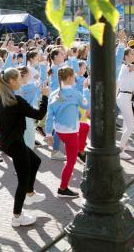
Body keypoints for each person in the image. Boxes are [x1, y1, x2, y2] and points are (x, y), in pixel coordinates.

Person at [0, 68, 49, 227]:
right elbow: (38, 115)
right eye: (18, 79)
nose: (21, 83)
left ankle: (30, 193)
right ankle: (17, 216)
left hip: (10, 143)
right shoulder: (16, 101)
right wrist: (45, 96)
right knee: (22, 181)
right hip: (15, 144)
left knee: (36, 161)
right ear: (11, 82)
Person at [45, 66, 90, 197]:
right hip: (70, 133)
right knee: (71, 162)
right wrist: (86, 89)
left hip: (60, 131)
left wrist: (48, 134)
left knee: (85, 127)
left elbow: (49, 116)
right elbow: (86, 105)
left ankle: (81, 151)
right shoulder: (75, 93)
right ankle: (62, 189)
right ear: (70, 78)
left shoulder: (54, 94)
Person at [116, 48, 134, 160]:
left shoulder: (129, 66)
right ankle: (121, 149)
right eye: (132, 53)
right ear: (126, 56)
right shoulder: (127, 66)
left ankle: (126, 145)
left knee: (126, 124)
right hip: (124, 97)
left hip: (126, 97)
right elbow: (133, 68)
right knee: (131, 126)